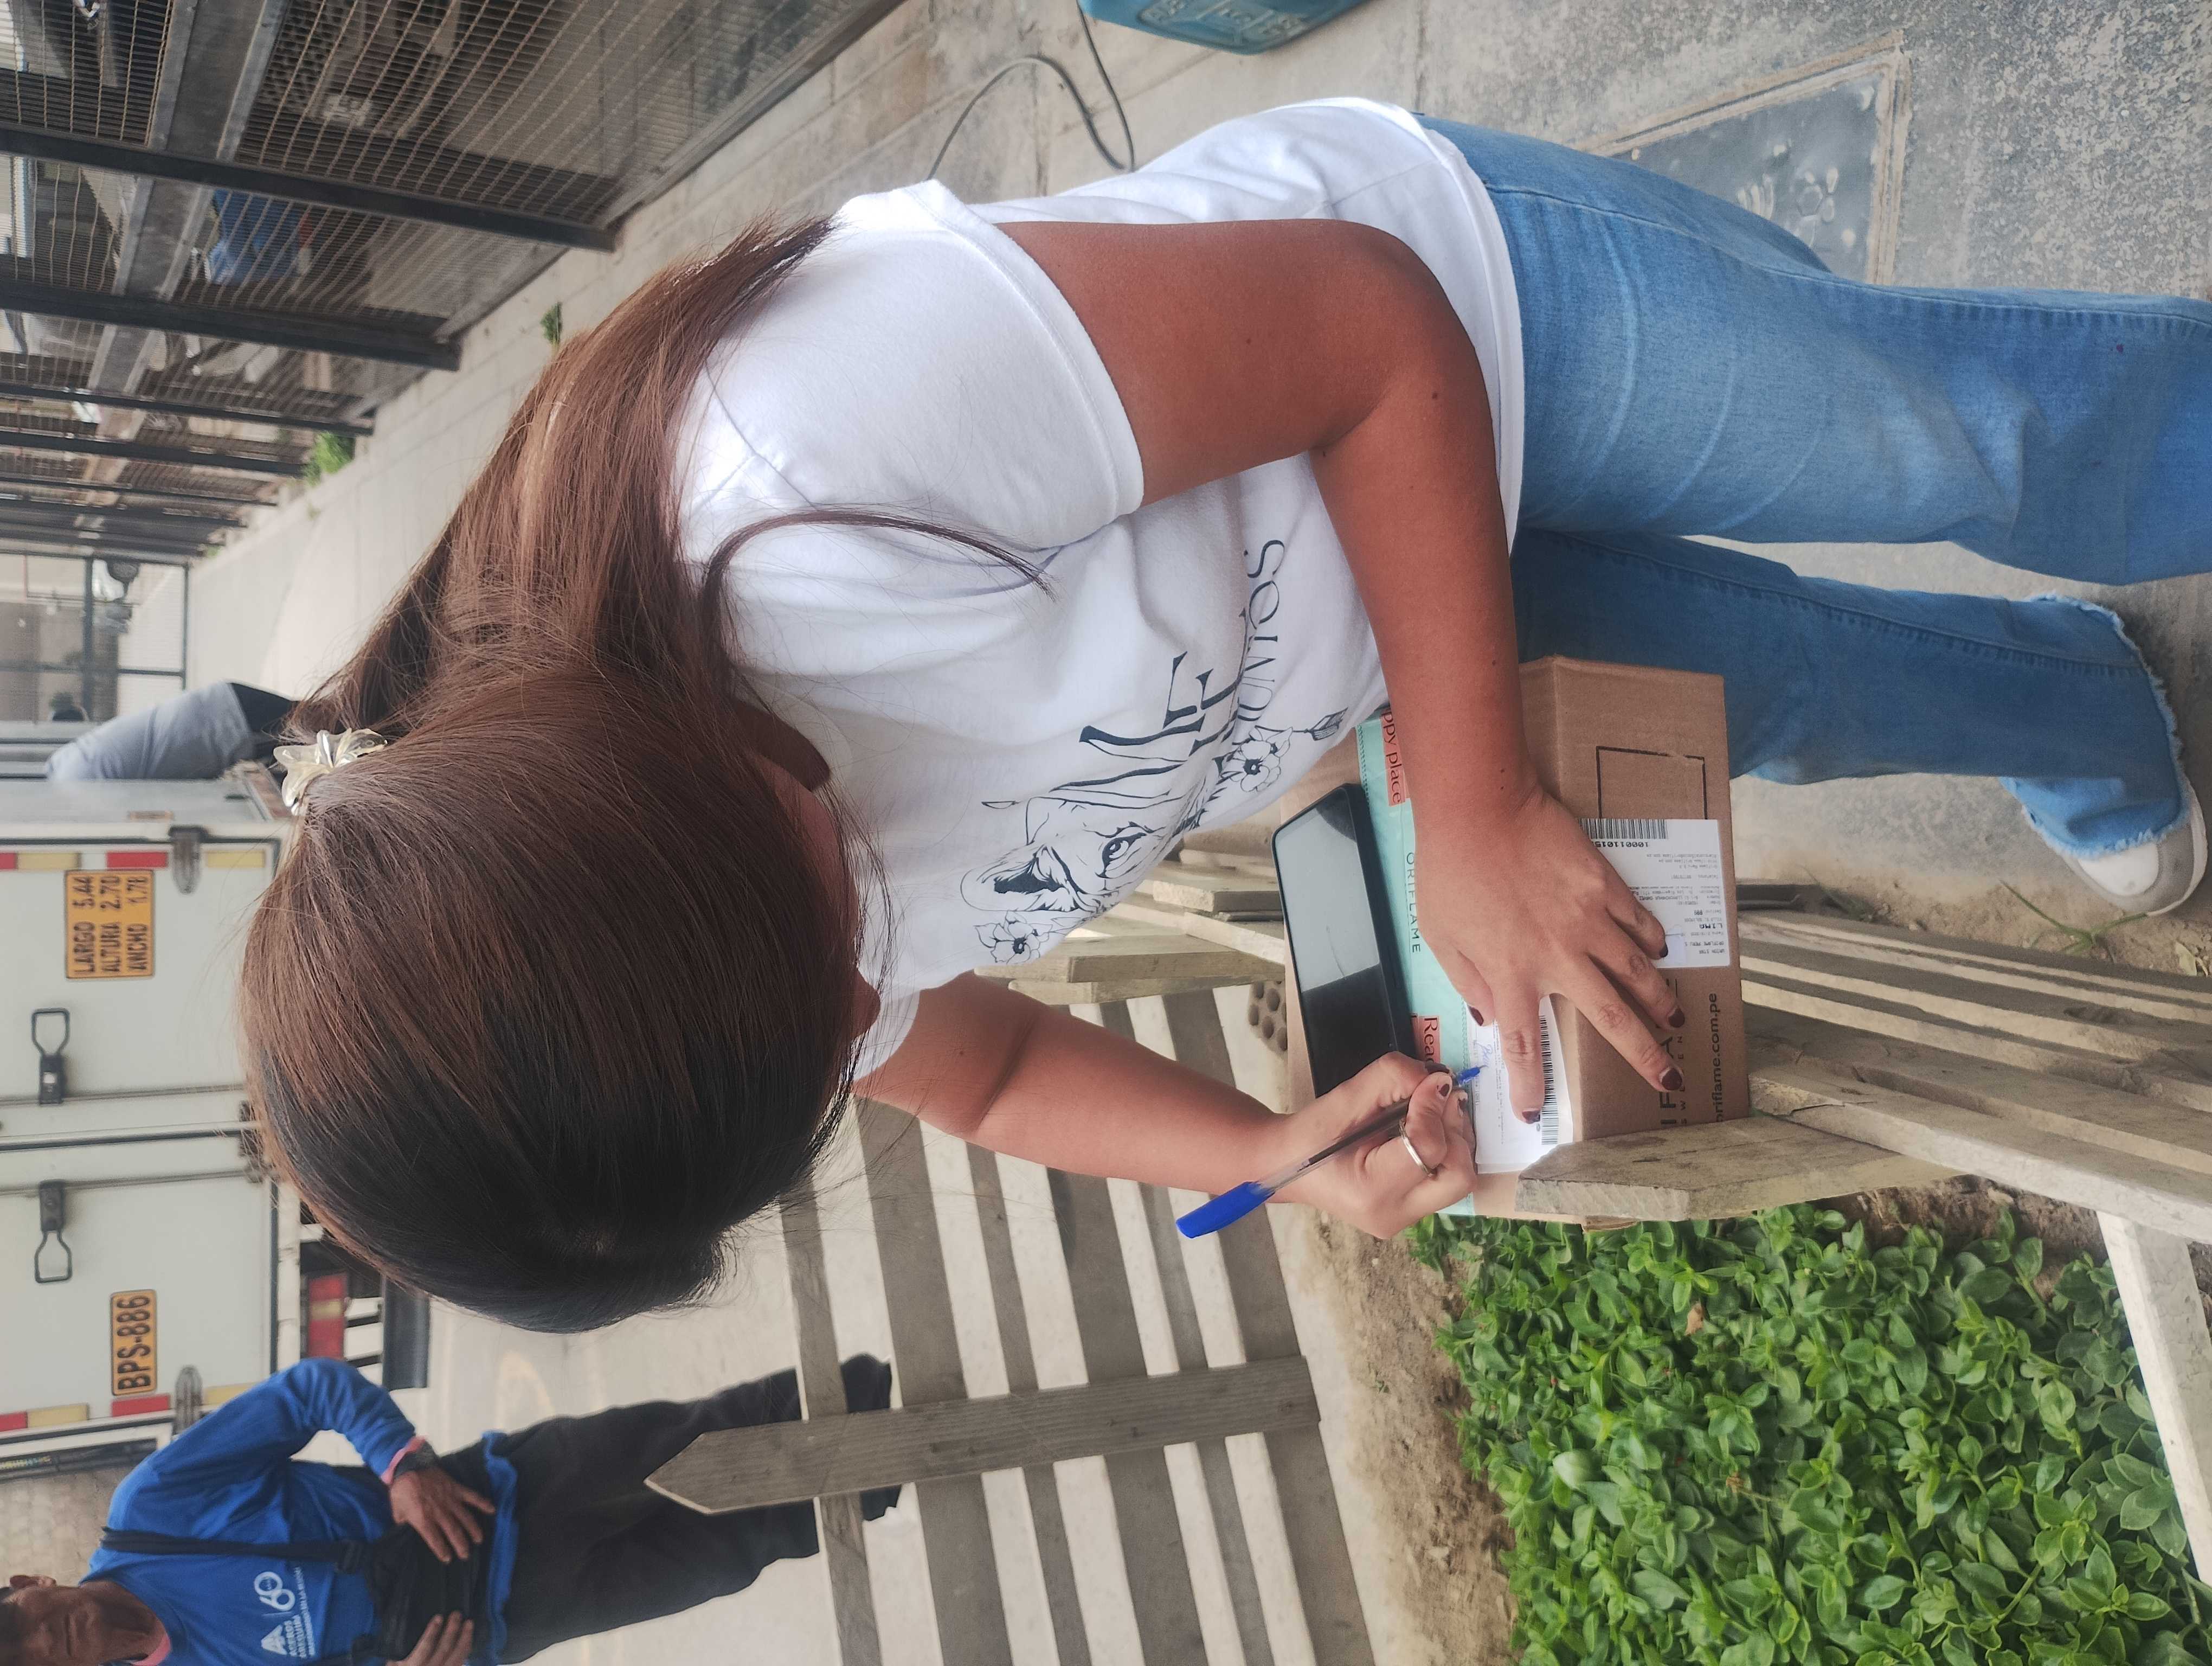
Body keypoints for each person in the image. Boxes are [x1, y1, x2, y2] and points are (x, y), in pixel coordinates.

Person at [236, 99, 2210, 1331]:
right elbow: (988, 1076)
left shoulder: (788, 466)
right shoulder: (719, 991)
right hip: (1387, 631)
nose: (862, 996)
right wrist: (1268, 1148)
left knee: (1947, 432)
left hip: (1471, 313)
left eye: (815, 955)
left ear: (632, 785)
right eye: (828, 1034)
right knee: (1776, 695)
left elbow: (1365, 335)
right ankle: (2095, 715)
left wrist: (1466, 805)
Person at [0, 1355, 896, 1665]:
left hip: (509, 1495)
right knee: (738, 1548)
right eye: (25, 1662)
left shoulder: (154, 1508)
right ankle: (911, 1466)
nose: (45, 1641)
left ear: (28, 1580)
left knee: (709, 1437)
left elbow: (310, 1390)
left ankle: (900, 1405)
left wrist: (403, 1464)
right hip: (509, 1623)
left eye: (19, 1622)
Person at [44, 683, 293, 781]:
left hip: (228, 721)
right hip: (219, 709)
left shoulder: (78, 782)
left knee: (313, 727)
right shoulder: (66, 762)